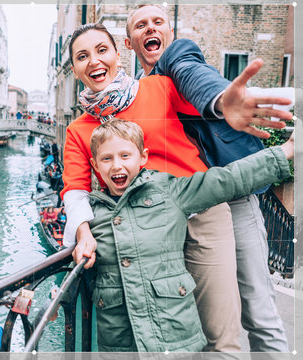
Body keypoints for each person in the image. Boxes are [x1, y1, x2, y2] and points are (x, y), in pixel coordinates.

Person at [61, 23, 293, 352]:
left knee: (219, 333)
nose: (94, 61)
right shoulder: (78, 129)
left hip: (200, 210)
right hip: (145, 230)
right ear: (75, 69)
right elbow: (75, 189)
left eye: (102, 50)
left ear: (117, 54)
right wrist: (83, 231)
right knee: (166, 335)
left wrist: (226, 102)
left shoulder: (157, 88)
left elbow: (207, 102)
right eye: (83, 56)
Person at [124, 5, 291, 351]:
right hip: (180, 208)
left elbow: (196, 77)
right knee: (199, 315)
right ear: (130, 43)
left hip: (232, 196)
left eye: (158, 22)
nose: (151, 29)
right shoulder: (136, 92)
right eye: (141, 25)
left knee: (258, 309)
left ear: (168, 33)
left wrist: (220, 100)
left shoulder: (179, 58)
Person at [87, 119, 294, 352]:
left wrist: (286, 151)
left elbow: (228, 179)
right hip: (119, 346)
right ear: (95, 164)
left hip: (175, 339)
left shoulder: (169, 191)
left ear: (143, 157)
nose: (116, 165)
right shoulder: (90, 215)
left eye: (125, 156)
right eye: (107, 158)